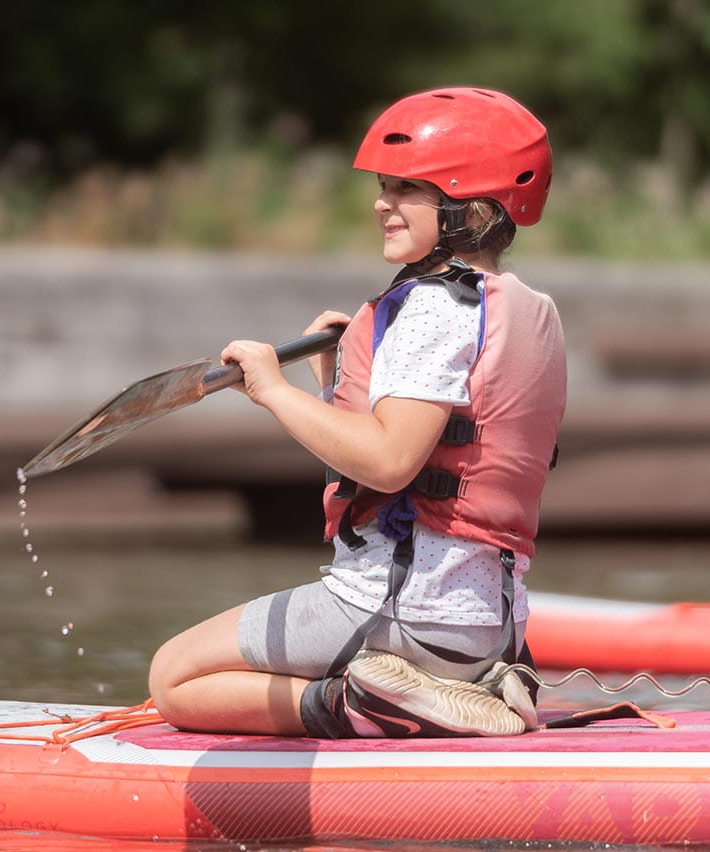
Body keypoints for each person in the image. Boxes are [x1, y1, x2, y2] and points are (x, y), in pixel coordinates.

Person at [147, 87, 567, 737]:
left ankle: (366, 704)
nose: (382, 203)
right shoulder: (521, 306)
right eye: (383, 187)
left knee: (173, 678)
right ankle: (449, 687)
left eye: (406, 189)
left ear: (469, 206)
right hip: (488, 626)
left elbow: (390, 463)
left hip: (402, 609)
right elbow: (425, 447)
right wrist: (338, 386)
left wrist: (270, 388)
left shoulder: (432, 308)